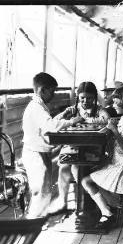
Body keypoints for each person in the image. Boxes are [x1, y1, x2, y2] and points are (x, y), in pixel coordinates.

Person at [21, 72, 84, 218]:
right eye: (52, 91)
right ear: (42, 90)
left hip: (40, 151)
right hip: (34, 153)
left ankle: (39, 219)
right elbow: (50, 126)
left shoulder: (39, 105)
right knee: (39, 190)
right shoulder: (36, 107)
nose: (54, 94)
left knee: (45, 188)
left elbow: (46, 123)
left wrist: (62, 115)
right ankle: (33, 221)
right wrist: (72, 122)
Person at [81, 85, 123, 230]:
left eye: (115, 103)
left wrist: (114, 130)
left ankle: (107, 211)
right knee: (93, 169)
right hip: (119, 161)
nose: (113, 105)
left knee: (86, 181)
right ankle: (112, 205)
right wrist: (115, 124)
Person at [48, 82, 110, 214]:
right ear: (77, 97)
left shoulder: (99, 109)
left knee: (77, 168)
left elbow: (107, 119)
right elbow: (54, 122)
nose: (86, 101)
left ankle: (90, 204)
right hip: (72, 146)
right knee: (64, 167)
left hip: (92, 147)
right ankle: (62, 201)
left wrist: (85, 120)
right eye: (82, 98)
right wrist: (65, 114)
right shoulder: (73, 109)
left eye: (89, 98)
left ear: (95, 97)